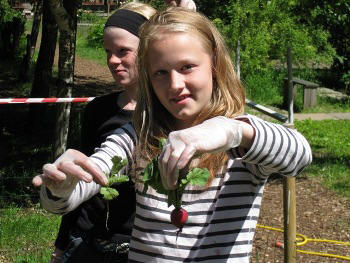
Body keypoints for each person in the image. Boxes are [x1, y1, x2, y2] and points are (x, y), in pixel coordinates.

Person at [34, 7, 312, 262]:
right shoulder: (139, 135)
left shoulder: (240, 139)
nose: (175, 85)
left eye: (187, 67)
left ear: (214, 64)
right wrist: (61, 186)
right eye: (160, 73)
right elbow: (81, 186)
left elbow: (299, 156)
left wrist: (230, 130)